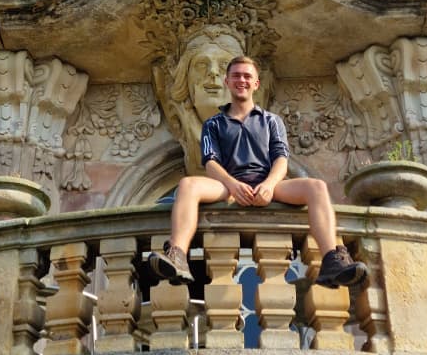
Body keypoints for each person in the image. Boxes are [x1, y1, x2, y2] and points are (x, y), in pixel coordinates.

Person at [150, 55, 368, 289]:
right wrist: (233, 185)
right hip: (228, 185)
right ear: (227, 82)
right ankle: (177, 254)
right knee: (188, 185)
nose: (241, 80)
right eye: (236, 76)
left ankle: (332, 259)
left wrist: (270, 185)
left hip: (269, 184)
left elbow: (281, 159)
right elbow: (211, 162)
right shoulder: (213, 124)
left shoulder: (272, 121)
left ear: (256, 83)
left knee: (316, 187)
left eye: (247, 76)